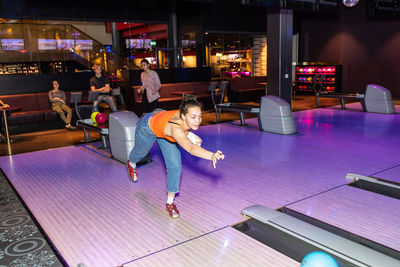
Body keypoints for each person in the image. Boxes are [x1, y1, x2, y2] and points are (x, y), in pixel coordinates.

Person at [126, 95, 225, 219]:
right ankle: (131, 164)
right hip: (147, 127)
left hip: (163, 123)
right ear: (183, 116)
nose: (198, 121)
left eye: (200, 117)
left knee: (175, 166)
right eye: (193, 117)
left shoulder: (184, 113)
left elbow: (183, 127)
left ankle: (170, 203)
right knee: (141, 154)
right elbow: (191, 148)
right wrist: (211, 155)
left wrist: (189, 134)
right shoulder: (175, 129)